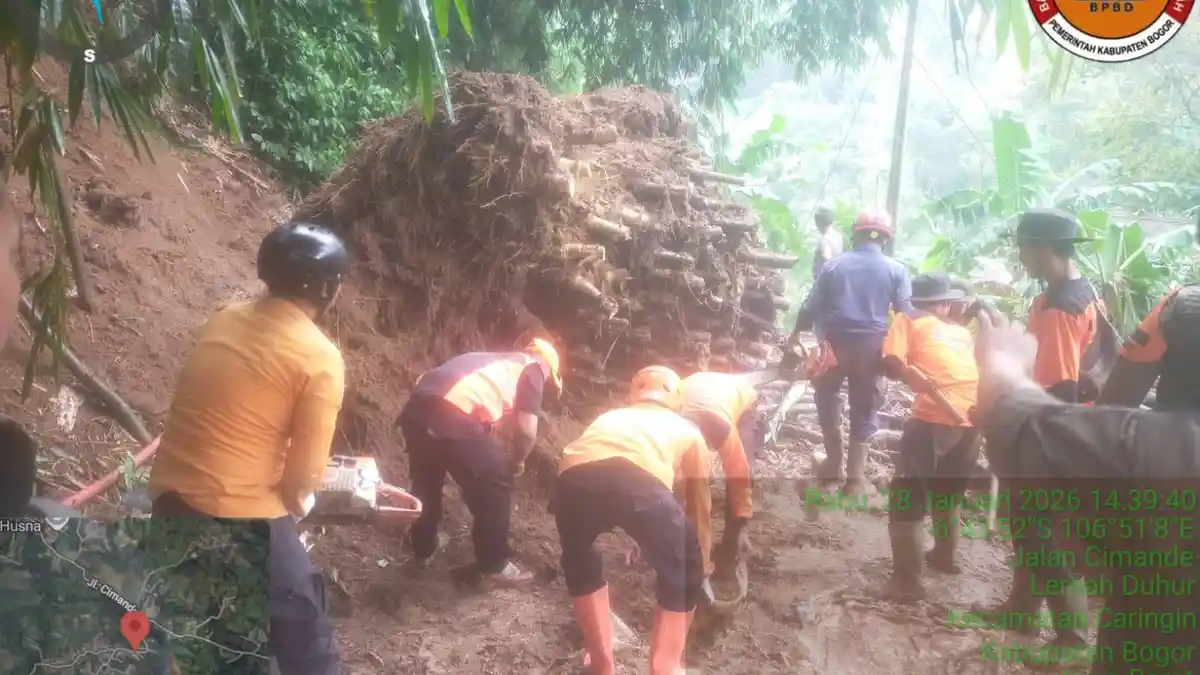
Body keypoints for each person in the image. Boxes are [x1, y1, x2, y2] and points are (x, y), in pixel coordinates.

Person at [148, 221, 350, 674]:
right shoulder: (319, 358)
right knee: (307, 637)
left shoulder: (225, 316)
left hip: (169, 505)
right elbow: (303, 479)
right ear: (325, 288)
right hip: (240, 519)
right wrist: (300, 502)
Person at [971, 316, 1198, 675]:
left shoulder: (1164, 450)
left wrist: (1003, 358)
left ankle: (1071, 635)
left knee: (1041, 533)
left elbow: (1025, 422)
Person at [994, 208, 1103, 653]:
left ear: (1043, 250)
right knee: (1030, 524)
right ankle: (1020, 613)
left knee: (1043, 530)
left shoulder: (1061, 308)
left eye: (1023, 246)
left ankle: (1073, 639)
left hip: (1057, 429)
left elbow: (1058, 388)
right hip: (1079, 425)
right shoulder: (1075, 292)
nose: (1020, 255)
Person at [553, 366, 709, 675]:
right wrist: (700, 562)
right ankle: (665, 667)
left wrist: (648, 532)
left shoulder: (610, 417)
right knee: (684, 567)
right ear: (676, 401)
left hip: (573, 480)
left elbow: (608, 475)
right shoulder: (688, 430)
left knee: (579, 561)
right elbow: (699, 504)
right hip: (641, 484)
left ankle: (601, 664)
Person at [397, 338, 562, 586]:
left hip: (417, 408)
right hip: (452, 415)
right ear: (548, 367)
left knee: (427, 481)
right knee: (497, 483)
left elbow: (432, 382)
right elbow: (527, 432)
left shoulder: (489, 360)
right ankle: (494, 564)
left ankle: (423, 549)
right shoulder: (533, 368)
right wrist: (517, 461)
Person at [791, 211, 913, 495]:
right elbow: (906, 316)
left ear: (854, 235)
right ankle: (855, 480)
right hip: (872, 348)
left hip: (833, 344)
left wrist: (794, 337)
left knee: (826, 396)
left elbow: (809, 309)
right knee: (866, 405)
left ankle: (834, 466)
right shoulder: (897, 270)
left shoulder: (834, 266)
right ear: (885, 239)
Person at [877, 273, 980, 600]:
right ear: (946, 304)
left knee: (906, 495)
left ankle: (907, 583)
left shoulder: (906, 321)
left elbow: (891, 361)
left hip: (934, 417)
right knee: (948, 492)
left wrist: (908, 372)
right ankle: (944, 556)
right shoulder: (961, 332)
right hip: (972, 418)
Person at [679, 371, 761, 573]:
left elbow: (739, 474)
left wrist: (741, 518)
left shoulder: (720, 427)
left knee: (744, 467)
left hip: (738, 398)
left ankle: (733, 543)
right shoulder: (669, 424)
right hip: (700, 390)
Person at [812, 205, 843, 278]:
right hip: (837, 275)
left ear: (817, 223)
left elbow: (827, 258)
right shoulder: (838, 236)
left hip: (825, 278)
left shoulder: (825, 240)